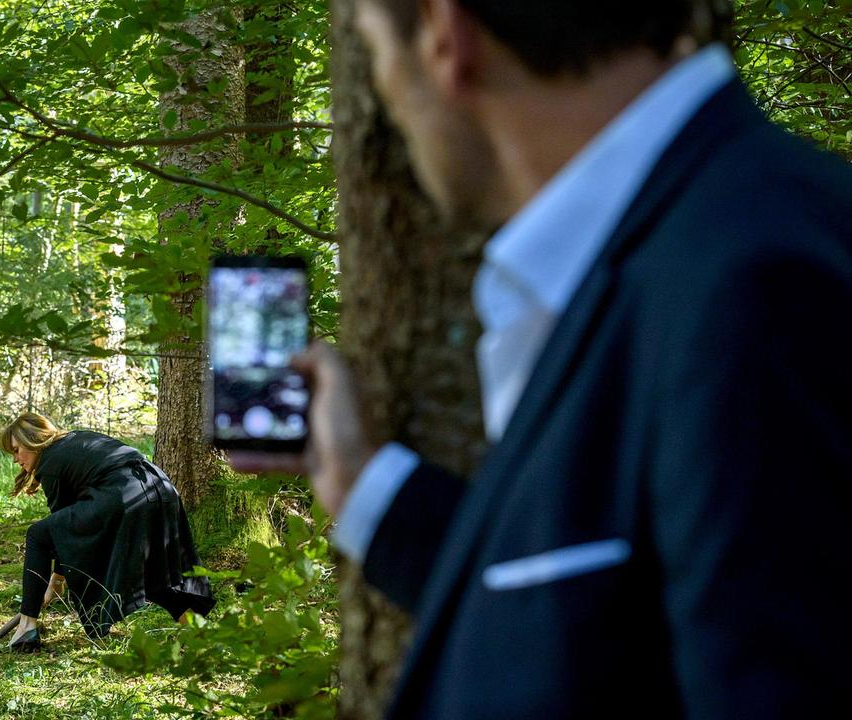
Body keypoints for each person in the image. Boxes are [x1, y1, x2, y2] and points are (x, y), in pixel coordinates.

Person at [232, 0, 852, 716]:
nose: (390, 102)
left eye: (376, 51)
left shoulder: (757, 286)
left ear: (444, 36)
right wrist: (365, 484)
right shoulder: (673, 248)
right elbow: (604, 639)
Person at [0, 412, 215, 651]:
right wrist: (57, 581)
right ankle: (197, 631)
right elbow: (65, 529)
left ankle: (27, 626)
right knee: (151, 568)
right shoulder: (73, 440)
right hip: (161, 489)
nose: (16, 459)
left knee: (37, 534)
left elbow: (59, 538)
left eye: (17, 450)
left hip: (125, 494)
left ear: (33, 440)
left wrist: (57, 581)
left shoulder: (51, 461)